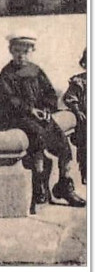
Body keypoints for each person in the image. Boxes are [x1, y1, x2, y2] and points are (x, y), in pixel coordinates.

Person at [0, 33, 85, 208]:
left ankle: (64, 185)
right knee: (37, 145)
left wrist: (46, 109)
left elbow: (50, 93)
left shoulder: (36, 71)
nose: (21, 55)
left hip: (41, 117)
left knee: (64, 148)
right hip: (20, 119)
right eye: (17, 51)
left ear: (32, 51)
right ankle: (39, 188)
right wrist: (30, 110)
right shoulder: (6, 75)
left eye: (25, 51)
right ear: (10, 51)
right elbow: (8, 99)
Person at [63, 48, 87, 185]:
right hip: (86, 121)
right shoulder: (80, 81)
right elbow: (70, 98)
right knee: (85, 149)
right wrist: (77, 111)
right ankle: (86, 174)